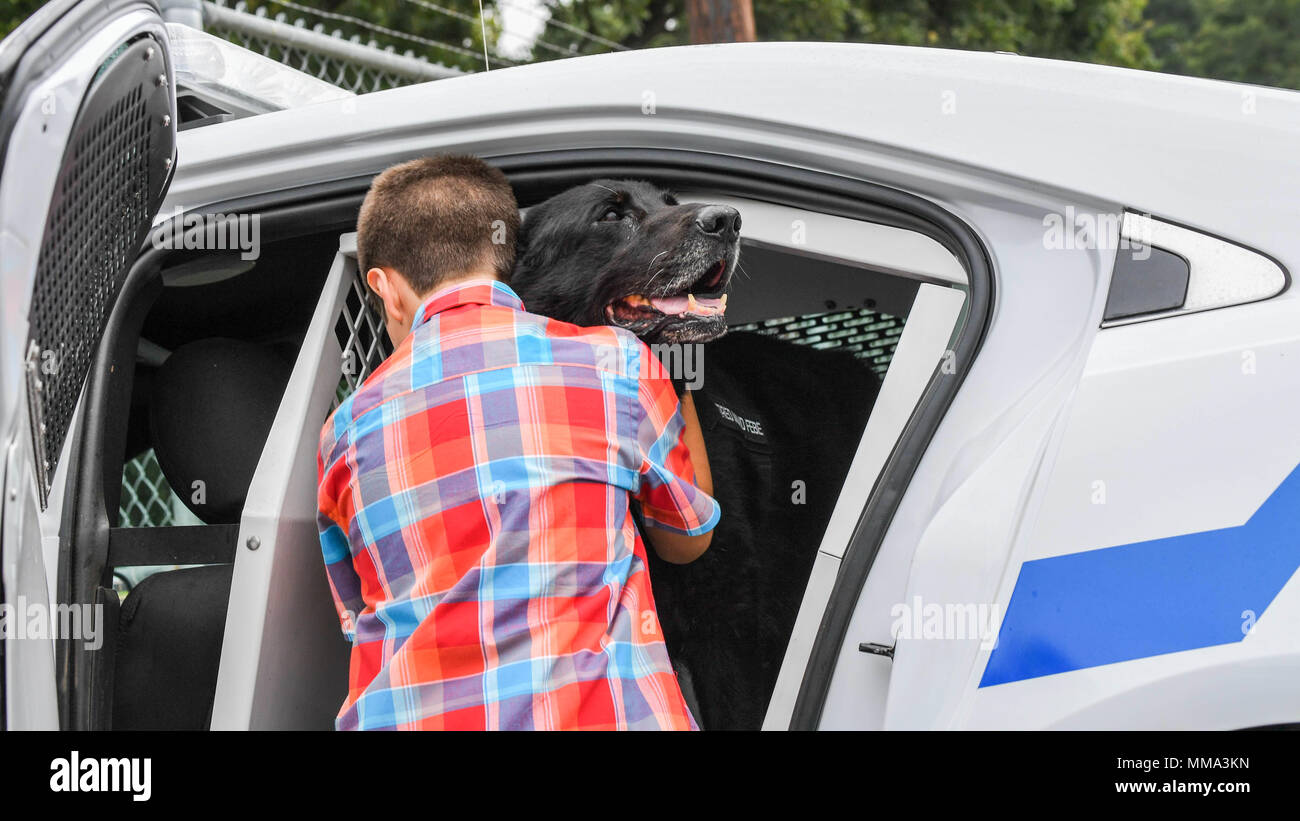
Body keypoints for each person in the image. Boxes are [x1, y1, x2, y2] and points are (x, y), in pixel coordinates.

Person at [316, 154, 719, 730]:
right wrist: (675, 381)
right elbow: (688, 538)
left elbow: (360, 613)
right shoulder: (616, 363)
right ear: (504, 257)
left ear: (383, 286)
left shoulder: (344, 431)